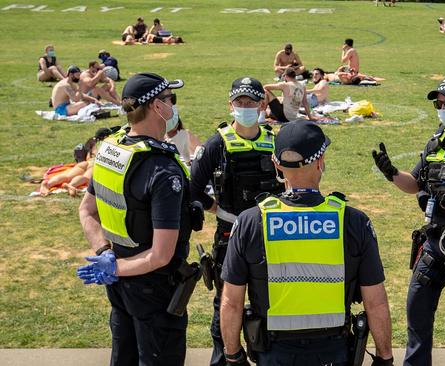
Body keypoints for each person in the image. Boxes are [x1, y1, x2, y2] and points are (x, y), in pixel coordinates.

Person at [220, 121, 394, 366]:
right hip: (333, 352)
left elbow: (231, 302)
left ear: (276, 164)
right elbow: (375, 302)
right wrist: (385, 357)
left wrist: (233, 355)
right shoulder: (353, 221)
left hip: (273, 352)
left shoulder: (251, 221)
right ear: (320, 160)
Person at [76, 72, 200, 366]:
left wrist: (106, 255)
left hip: (119, 283)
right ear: (157, 106)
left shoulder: (111, 149)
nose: (173, 107)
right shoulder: (163, 170)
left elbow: (86, 210)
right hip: (153, 288)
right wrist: (116, 266)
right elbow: (160, 255)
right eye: (171, 100)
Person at [372, 76, 445, 366]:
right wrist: (392, 173)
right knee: (416, 313)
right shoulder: (436, 142)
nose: (443, 108)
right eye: (439, 104)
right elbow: (414, 183)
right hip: (433, 243)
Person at [189, 76, 285, 366]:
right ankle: (225, 358)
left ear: (262, 105)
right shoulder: (217, 143)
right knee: (226, 302)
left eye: (251, 102)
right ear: (230, 104)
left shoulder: (275, 141)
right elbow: (193, 187)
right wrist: (213, 206)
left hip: (271, 234)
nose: (245, 107)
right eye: (239, 102)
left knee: (268, 299)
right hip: (229, 232)